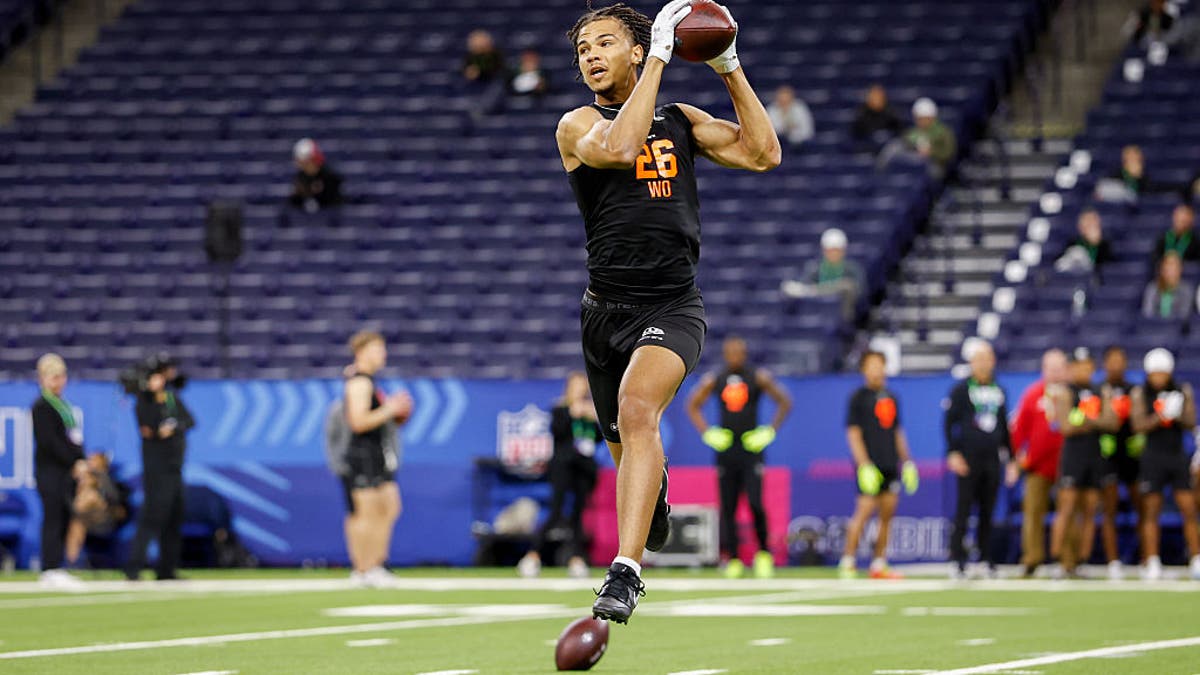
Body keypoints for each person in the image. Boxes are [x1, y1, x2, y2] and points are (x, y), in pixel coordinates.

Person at [557, 0, 780, 623]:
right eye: (583, 50)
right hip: (604, 312)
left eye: (605, 43)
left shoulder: (680, 119)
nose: (592, 56)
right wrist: (659, 53)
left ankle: (625, 572)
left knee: (636, 409)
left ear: (635, 50)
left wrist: (729, 66)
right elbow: (625, 147)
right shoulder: (576, 124)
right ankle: (649, 497)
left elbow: (764, 154)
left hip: (672, 304)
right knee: (623, 442)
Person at [686, 336, 792, 579]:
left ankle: (764, 553)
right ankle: (732, 557)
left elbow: (784, 401)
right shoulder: (716, 378)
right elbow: (692, 404)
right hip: (726, 450)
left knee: (755, 502)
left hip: (751, 449)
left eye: (738, 351)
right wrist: (708, 433)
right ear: (725, 354)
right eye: (730, 352)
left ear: (744, 354)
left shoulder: (757, 376)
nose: (734, 356)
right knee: (729, 506)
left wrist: (769, 431)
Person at [341, 330, 413, 588]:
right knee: (367, 513)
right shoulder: (359, 382)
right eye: (377, 349)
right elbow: (358, 422)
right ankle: (363, 568)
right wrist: (389, 409)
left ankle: (376, 564)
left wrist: (394, 413)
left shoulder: (369, 381)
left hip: (377, 454)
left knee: (389, 507)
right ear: (363, 352)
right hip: (363, 456)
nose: (383, 355)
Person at [838, 350, 916, 580]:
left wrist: (908, 461)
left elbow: (897, 432)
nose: (876, 370)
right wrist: (864, 465)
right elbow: (853, 434)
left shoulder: (891, 397)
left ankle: (879, 562)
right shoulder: (858, 398)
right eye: (871, 365)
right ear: (863, 369)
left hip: (890, 462)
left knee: (887, 513)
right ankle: (848, 560)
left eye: (879, 365)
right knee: (864, 510)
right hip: (870, 466)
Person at [517, 372, 603, 579]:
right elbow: (558, 432)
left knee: (577, 516)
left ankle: (576, 559)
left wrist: (593, 419)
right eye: (577, 386)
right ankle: (532, 556)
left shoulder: (589, 410)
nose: (581, 390)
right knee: (556, 513)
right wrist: (573, 414)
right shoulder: (560, 408)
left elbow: (597, 440)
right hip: (563, 467)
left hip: (584, 468)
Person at [1131, 348, 1200, 580]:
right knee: (1151, 510)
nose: (1159, 378)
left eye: (1163, 373)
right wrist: (1159, 418)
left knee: (1189, 509)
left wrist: (1177, 413)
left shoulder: (1182, 391)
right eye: (1155, 373)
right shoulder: (1141, 393)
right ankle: (1151, 560)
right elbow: (1137, 424)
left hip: (1176, 455)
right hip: (1153, 457)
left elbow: (1191, 421)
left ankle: (1196, 558)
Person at [125, 360, 196, 581]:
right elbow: (149, 428)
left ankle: (166, 569)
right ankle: (134, 566)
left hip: (175, 468)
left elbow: (189, 421)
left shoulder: (172, 399)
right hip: (157, 470)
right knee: (151, 517)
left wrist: (174, 427)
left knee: (174, 518)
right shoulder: (143, 402)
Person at [1048, 348, 1116, 578]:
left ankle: (1082, 560)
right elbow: (1065, 426)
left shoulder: (1100, 390)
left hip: (1094, 456)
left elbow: (1112, 422)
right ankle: (1058, 560)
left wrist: (1085, 421)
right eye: (1077, 366)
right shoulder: (1067, 392)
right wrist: (1094, 421)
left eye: (1086, 366)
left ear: (1092, 368)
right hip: (1073, 457)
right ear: (1070, 369)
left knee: (1090, 510)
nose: (1082, 370)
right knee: (1066, 508)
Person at [944, 340, 1010, 579]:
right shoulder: (961, 391)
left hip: (992, 459)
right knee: (963, 509)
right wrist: (953, 452)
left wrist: (1010, 457)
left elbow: (1004, 426)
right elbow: (948, 423)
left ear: (993, 361)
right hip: (968, 459)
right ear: (971, 363)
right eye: (978, 359)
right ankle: (958, 559)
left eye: (987, 359)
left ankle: (985, 558)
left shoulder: (999, 390)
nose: (983, 364)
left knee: (988, 511)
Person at [1009, 348, 1068, 577]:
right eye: (1050, 368)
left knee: (1069, 512)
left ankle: (1067, 560)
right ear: (1043, 370)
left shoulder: (1072, 394)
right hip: (1037, 465)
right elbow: (1018, 430)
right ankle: (1032, 559)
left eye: (1058, 368)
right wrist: (1015, 460)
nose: (1054, 373)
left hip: (1067, 465)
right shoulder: (1033, 394)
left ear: (1065, 370)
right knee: (1032, 512)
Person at [30, 353, 87, 588]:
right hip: (50, 471)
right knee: (52, 518)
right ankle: (49, 568)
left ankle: (58, 565)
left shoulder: (64, 406)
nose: (59, 381)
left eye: (61, 376)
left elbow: (71, 440)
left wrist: (81, 460)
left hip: (66, 472)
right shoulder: (42, 406)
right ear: (43, 379)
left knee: (63, 517)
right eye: (53, 377)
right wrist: (73, 461)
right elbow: (50, 443)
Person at [1097, 346, 1143, 580]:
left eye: (1120, 360)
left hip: (1132, 456)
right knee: (1109, 510)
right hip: (1108, 458)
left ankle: (1147, 559)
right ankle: (1113, 561)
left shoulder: (1134, 390)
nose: (1116, 365)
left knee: (1142, 507)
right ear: (1105, 364)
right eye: (1111, 360)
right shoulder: (1098, 390)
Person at [779, 227, 866, 321]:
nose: (833, 254)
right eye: (830, 250)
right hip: (816, 316)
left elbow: (858, 293)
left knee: (847, 286)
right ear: (824, 250)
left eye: (836, 250)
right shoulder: (815, 269)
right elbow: (805, 289)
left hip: (844, 318)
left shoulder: (852, 270)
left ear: (843, 251)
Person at [288, 138, 344, 213]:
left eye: (301, 160)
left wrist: (321, 192)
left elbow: (336, 201)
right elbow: (294, 203)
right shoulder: (300, 177)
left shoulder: (329, 176)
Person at [462, 29, 507, 120]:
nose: (477, 44)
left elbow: (498, 69)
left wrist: (480, 71)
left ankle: (482, 109)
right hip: (477, 83)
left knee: (498, 86)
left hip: (493, 82)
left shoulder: (495, 53)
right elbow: (466, 71)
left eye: (480, 41)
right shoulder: (470, 56)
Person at [1055, 208, 1115, 274]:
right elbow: (1059, 263)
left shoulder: (1105, 245)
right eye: (1087, 223)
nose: (1090, 226)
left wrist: (1095, 242)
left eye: (1092, 222)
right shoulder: (1073, 243)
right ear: (1080, 226)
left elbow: (1108, 266)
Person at [1141, 252, 1193, 319]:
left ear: (1180, 269)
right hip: (1154, 326)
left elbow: (1184, 314)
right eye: (1167, 265)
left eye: (1174, 266)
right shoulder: (1152, 288)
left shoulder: (1186, 290)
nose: (1170, 270)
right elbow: (1147, 312)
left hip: (1176, 326)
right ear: (1162, 269)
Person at [850, 83, 903, 149]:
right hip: (867, 149)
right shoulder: (861, 115)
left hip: (888, 149)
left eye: (879, 96)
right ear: (868, 98)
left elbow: (899, 133)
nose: (877, 99)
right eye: (874, 96)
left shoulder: (892, 114)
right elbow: (856, 137)